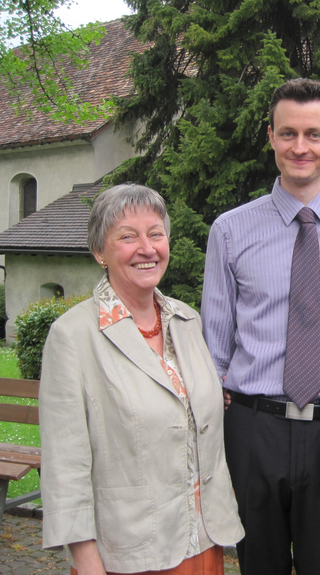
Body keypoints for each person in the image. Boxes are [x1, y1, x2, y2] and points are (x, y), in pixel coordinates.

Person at [201, 78, 320, 575]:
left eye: (314, 134)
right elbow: (214, 345)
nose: (300, 147)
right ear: (271, 137)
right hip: (253, 428)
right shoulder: (230, 230)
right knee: (258, 564)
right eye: (288, 133)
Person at [39, 184, 244, 575]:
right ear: (99, 251)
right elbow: (65, 467)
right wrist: (87, 563)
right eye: (127, 237)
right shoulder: (73, 336)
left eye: (155, 234)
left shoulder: (186, 320)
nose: (146, 248)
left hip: (202, 541)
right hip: (131, 551)